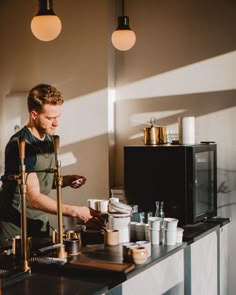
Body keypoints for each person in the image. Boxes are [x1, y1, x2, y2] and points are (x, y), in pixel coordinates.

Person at [0, 83, 105, 248]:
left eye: (58, 117)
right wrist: (76, 211)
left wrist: (67, 180)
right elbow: (34, 198)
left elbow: (42, 179)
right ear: (34, 114)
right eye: (50, 118)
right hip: (16, 230)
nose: (56, 123)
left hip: (38, 223)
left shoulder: (49, 140)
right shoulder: (20, 145)